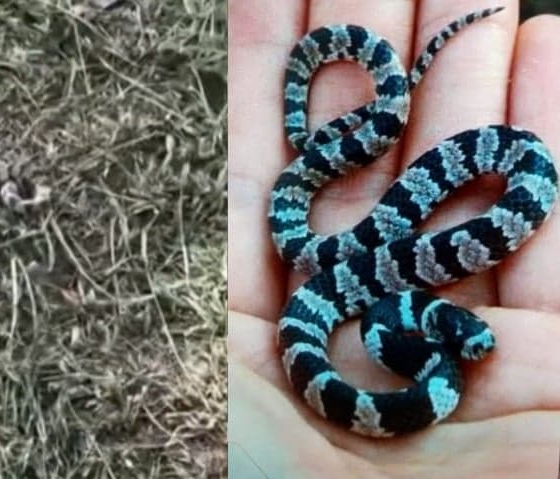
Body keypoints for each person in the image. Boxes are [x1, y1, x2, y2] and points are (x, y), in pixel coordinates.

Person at [227, 1, 560, 477]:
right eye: (465, 344)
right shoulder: (403, 339)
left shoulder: (386, 326)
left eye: (470, 341)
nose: (480, 352)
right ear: (433, 331)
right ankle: (339, 133)